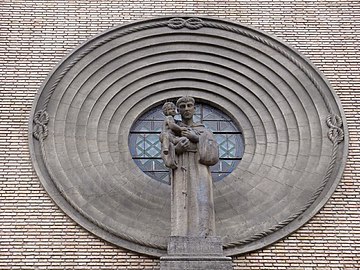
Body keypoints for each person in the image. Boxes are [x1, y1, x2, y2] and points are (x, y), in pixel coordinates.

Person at [161, 96, 219, 237]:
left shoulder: (204, 131)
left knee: (203, 201)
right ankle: (181, 233)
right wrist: (177, 149)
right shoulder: (172, 129)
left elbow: (214, 154)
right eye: (183, 107)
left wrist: (197, 138)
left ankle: (204, 233)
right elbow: (166, 153)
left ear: (194, 108)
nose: (186, 109)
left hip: (200, 169)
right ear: (178, 110)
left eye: (189, 106)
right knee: (182, 202)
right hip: (181, 170)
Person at [160, 102, 188, 169]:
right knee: (166, 136)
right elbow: (172, 125)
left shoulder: (175, 120)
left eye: (173, 109)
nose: (172, 110)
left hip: (172, 138)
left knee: (184, 139)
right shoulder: (169, 118)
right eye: (170, 109)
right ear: (166, 112)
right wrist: (180, 128)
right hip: (165, 136)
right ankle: (166, 148)